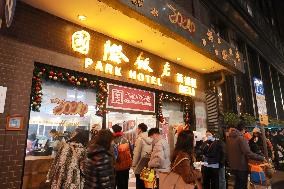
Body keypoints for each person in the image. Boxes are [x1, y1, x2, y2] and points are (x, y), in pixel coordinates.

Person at [226, 123, 265, 189]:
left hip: (233, 166)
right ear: (243, 130)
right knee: (242, 184)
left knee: (238, 184)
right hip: (242, 166)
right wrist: (261, 158)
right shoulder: (241, 138)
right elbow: (248, 152)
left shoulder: (229, 138)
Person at [132, 123, 152, 189]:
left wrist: (134, 165)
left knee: (140, 185)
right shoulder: (151, 138)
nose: (137, 130)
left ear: (140, 129)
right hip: (149, 164)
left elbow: (137, 153)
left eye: (137, 129)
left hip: (141, 165)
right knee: (148, 185)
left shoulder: (140, 139)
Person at [112, 124, 132, 189]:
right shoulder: (126, 140)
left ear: (114, 131)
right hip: (125, 166)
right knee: (124, 183)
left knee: (115, 183)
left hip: (116, 167)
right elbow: (131, 153)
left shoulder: (112, 141)